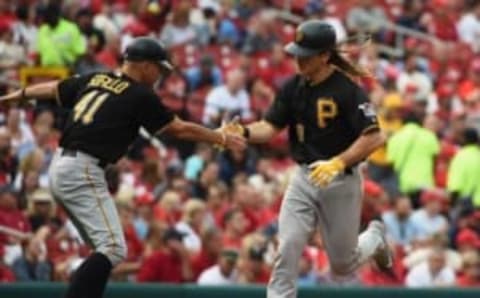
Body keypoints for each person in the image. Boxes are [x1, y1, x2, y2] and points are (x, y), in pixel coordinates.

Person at [0, 37, 245, 298]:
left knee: (103, 250)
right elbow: (178, 128)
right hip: (82, 169)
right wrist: (219, 137)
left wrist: (21, 94)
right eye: (158, 68)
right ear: (144, 66)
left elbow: (53, 88)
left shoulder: (96, 78)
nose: (160, 75)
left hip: (62, 165)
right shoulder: (140, 94)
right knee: (113, 249)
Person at [220, 20, 391, 298]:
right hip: (303, 176)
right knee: (288, 243)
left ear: (325, 55)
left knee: (342, 265)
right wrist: (245, 131)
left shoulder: (347, 90)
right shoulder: (293, 86)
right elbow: (271, 126)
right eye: (297, 52)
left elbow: (375, 137)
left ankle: (374, 237)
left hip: (340, 180)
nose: (298, 59)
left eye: (306, 53)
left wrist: (337, 162)